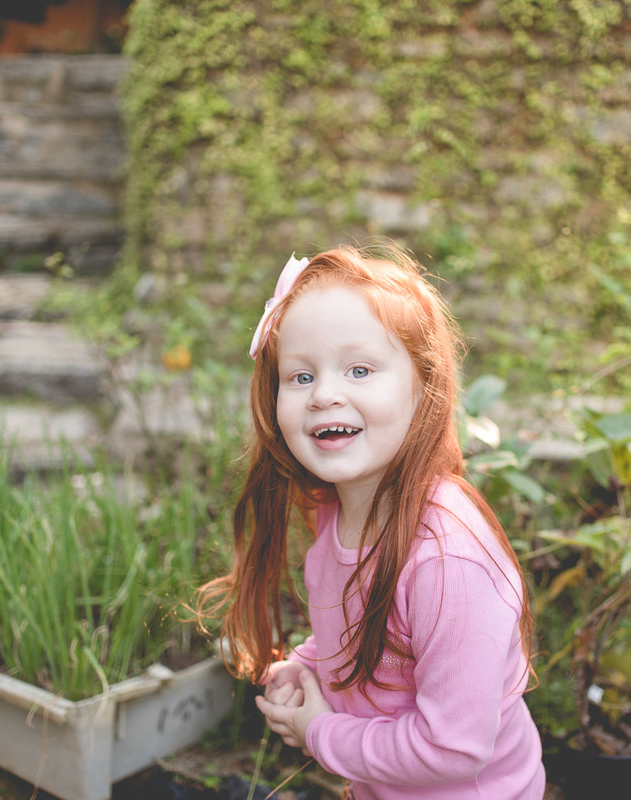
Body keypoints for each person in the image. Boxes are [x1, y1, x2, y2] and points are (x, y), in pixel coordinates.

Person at [198, 243, 546, 799]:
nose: (324, 395)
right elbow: (369, 641)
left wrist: (319, 732)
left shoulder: (448, 560)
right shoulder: (337, 509)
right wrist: (309, 666)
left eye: (359, 369)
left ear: (424, 386)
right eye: (300, 376)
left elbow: (454, 747)